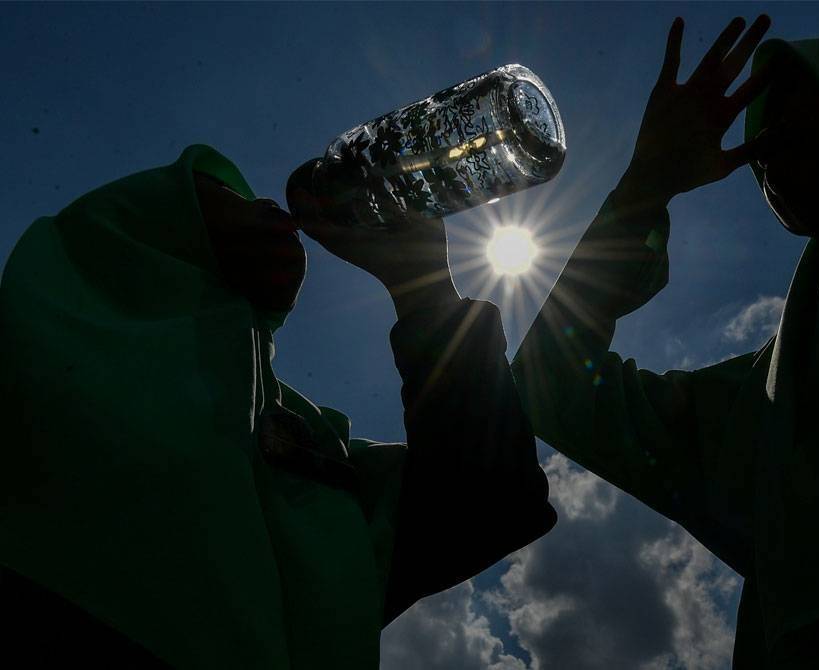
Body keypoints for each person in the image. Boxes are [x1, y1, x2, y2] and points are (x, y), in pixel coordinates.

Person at [513, 15, 819, 668]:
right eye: (761, 135)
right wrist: (643, 188)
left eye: (794, 114)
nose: (762, 150)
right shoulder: (768, 409)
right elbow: (554, 385)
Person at [0, 144, 557, 668]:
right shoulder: (20, 352)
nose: (266, 203)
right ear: (136, 231)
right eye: (223, 194)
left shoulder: (302, 443)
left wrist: (421, 285)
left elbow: (489, 503)